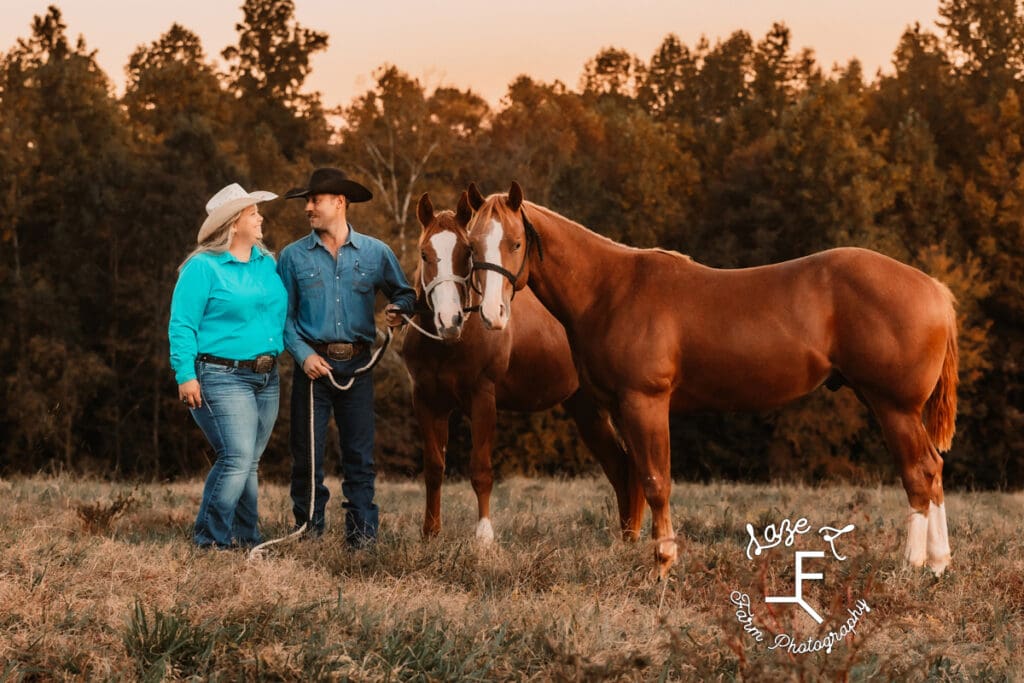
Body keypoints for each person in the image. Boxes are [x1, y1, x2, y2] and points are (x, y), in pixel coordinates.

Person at [277, 167, 415, 547]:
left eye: (314, 200)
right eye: (307, 201)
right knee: (307, 457)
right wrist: (303, 355)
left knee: (359, 456)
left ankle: (362, 539)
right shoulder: (291, 257)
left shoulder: (376, 253)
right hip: (312, 369)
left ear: (339, 203)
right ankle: (309, 533)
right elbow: (281, 319)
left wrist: (398, 310)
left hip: (359, 366)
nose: (308, 208)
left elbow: (405, 293)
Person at [168, 183, 287, 549]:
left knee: (249, 462)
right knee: (236, 457)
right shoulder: (202, 267)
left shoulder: (266, 263)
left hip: (266, 376)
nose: (260, 218)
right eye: (253, 213)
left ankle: (246, 538)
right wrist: (185, 374)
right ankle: (210, 540)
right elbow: (182, 323)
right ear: (234, 224)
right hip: (220, 375)